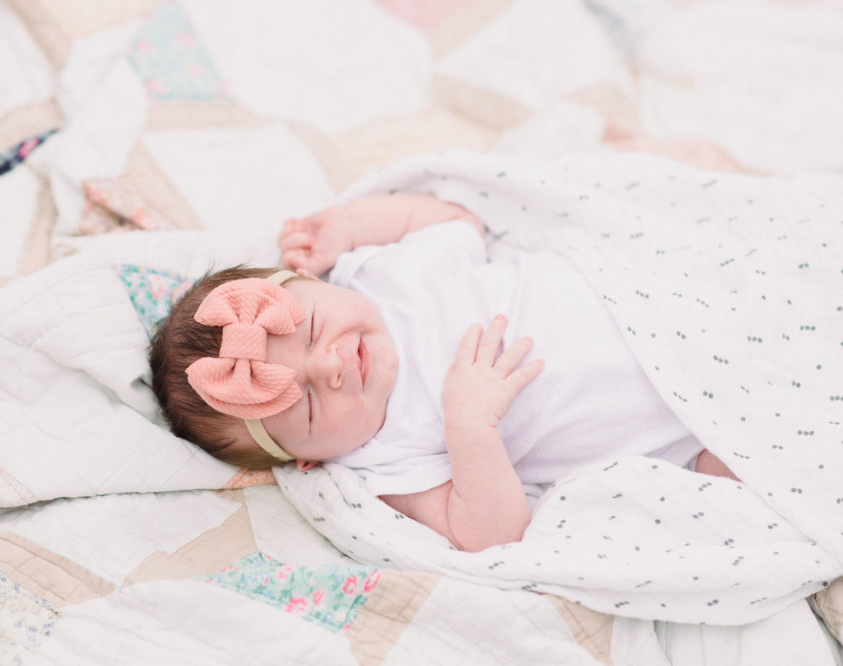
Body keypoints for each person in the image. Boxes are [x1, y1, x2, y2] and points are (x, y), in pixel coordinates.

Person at [149, 193, 737, 552]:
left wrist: (350, 227)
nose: (329, 364)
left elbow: (455, 219)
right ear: (308, 460)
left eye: (308, 330)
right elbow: (492, 535)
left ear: (313, 283)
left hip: (659, 295)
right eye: (304, 404)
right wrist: (470, 428)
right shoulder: (384, 457)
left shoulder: (384, 276)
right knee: (735, 485)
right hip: (699, 426)